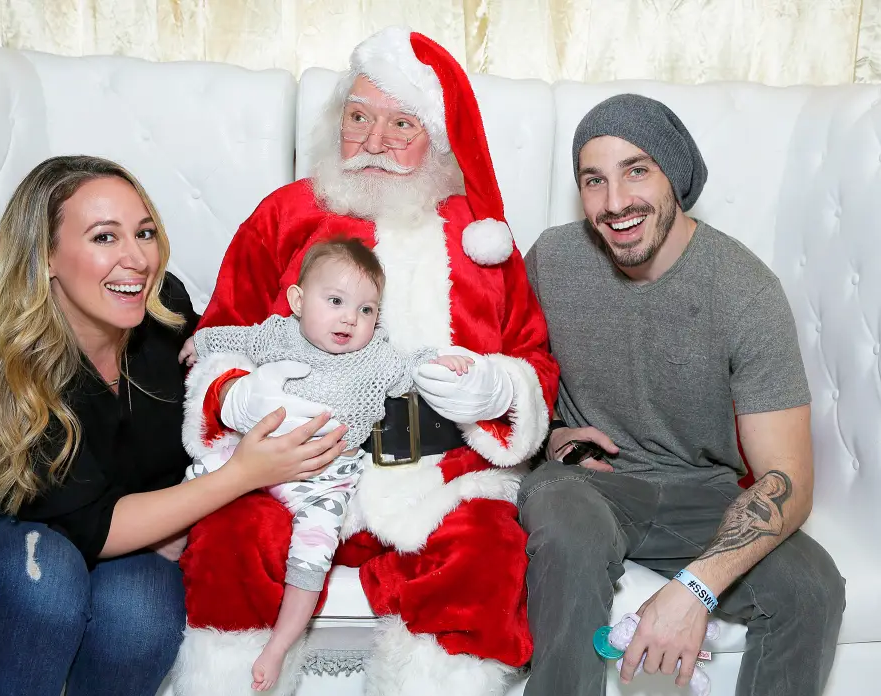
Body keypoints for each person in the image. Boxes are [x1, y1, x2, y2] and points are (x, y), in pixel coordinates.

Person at [172, 26, 560, 696]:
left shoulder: (481, 239)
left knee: (486, 555)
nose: (374, 141)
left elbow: (534, 358)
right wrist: (235, 395)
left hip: (439, 478)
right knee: (231, 539)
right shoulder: (284, 215)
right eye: (358, 118)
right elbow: (222, 333)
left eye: (401, 123)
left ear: (437, 139)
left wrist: (497, 390)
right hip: (292, 467)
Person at [0, 155, 348, 696]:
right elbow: (92, 525)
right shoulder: (12, 359)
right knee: (47, 578)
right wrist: (240, 475)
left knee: (141, 613)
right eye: (104, 237)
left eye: (144, 233)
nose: (137, 259)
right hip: (3, 528)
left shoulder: (164, 312)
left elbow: (225, 389)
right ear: (46, 255)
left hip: (138, 533)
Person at [521, 93, 846, 696]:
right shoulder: (554, 259)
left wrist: (696, 588)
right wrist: (554, 434)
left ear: (673, 175)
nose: (615, 203)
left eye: (636, 171)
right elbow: (509, 381)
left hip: (702, 495)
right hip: (585, 485)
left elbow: (790, 480)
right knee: (568, 531)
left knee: (811, 587)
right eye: (594, 180)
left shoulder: (744, 289)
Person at [180, 236, 471, 691]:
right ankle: (167, 548)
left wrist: (441, 360)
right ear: (298, 301)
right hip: (260, 457)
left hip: (325, 478)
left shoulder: (375, 357)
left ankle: (280, 643)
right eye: (335, 301)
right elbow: (236, 337)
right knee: (200, 477)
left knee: (313, 553)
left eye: (366, 309)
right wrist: (200, 341)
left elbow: (411, 367)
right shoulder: (279, 334)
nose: (350, 318)